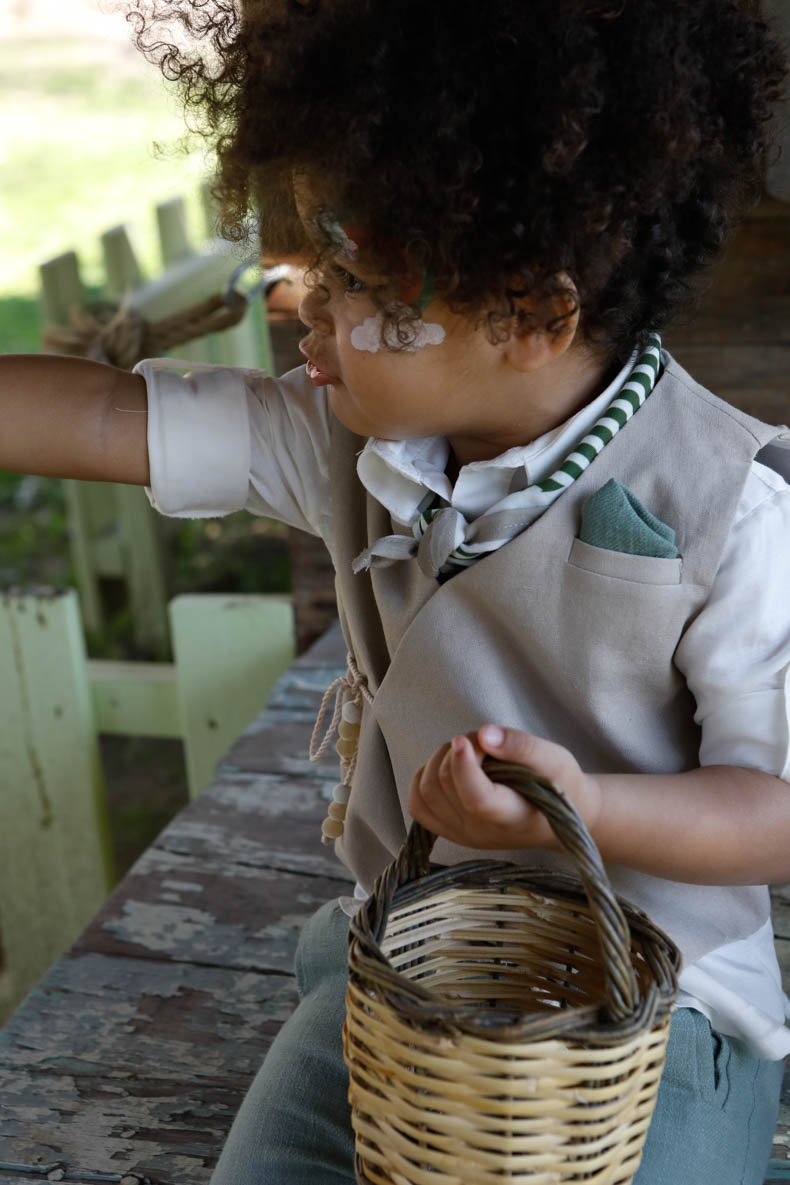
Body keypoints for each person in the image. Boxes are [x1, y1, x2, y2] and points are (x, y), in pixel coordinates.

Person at [3, 1, 790, 1181]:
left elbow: (772, 809)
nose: (306, 310)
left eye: (352, 277)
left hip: (659, 1009)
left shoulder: (731, 511)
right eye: (306, 268)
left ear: (532, 311)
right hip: (409, 974)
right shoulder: (344, 443)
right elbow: (115, 416)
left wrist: (582, 809)